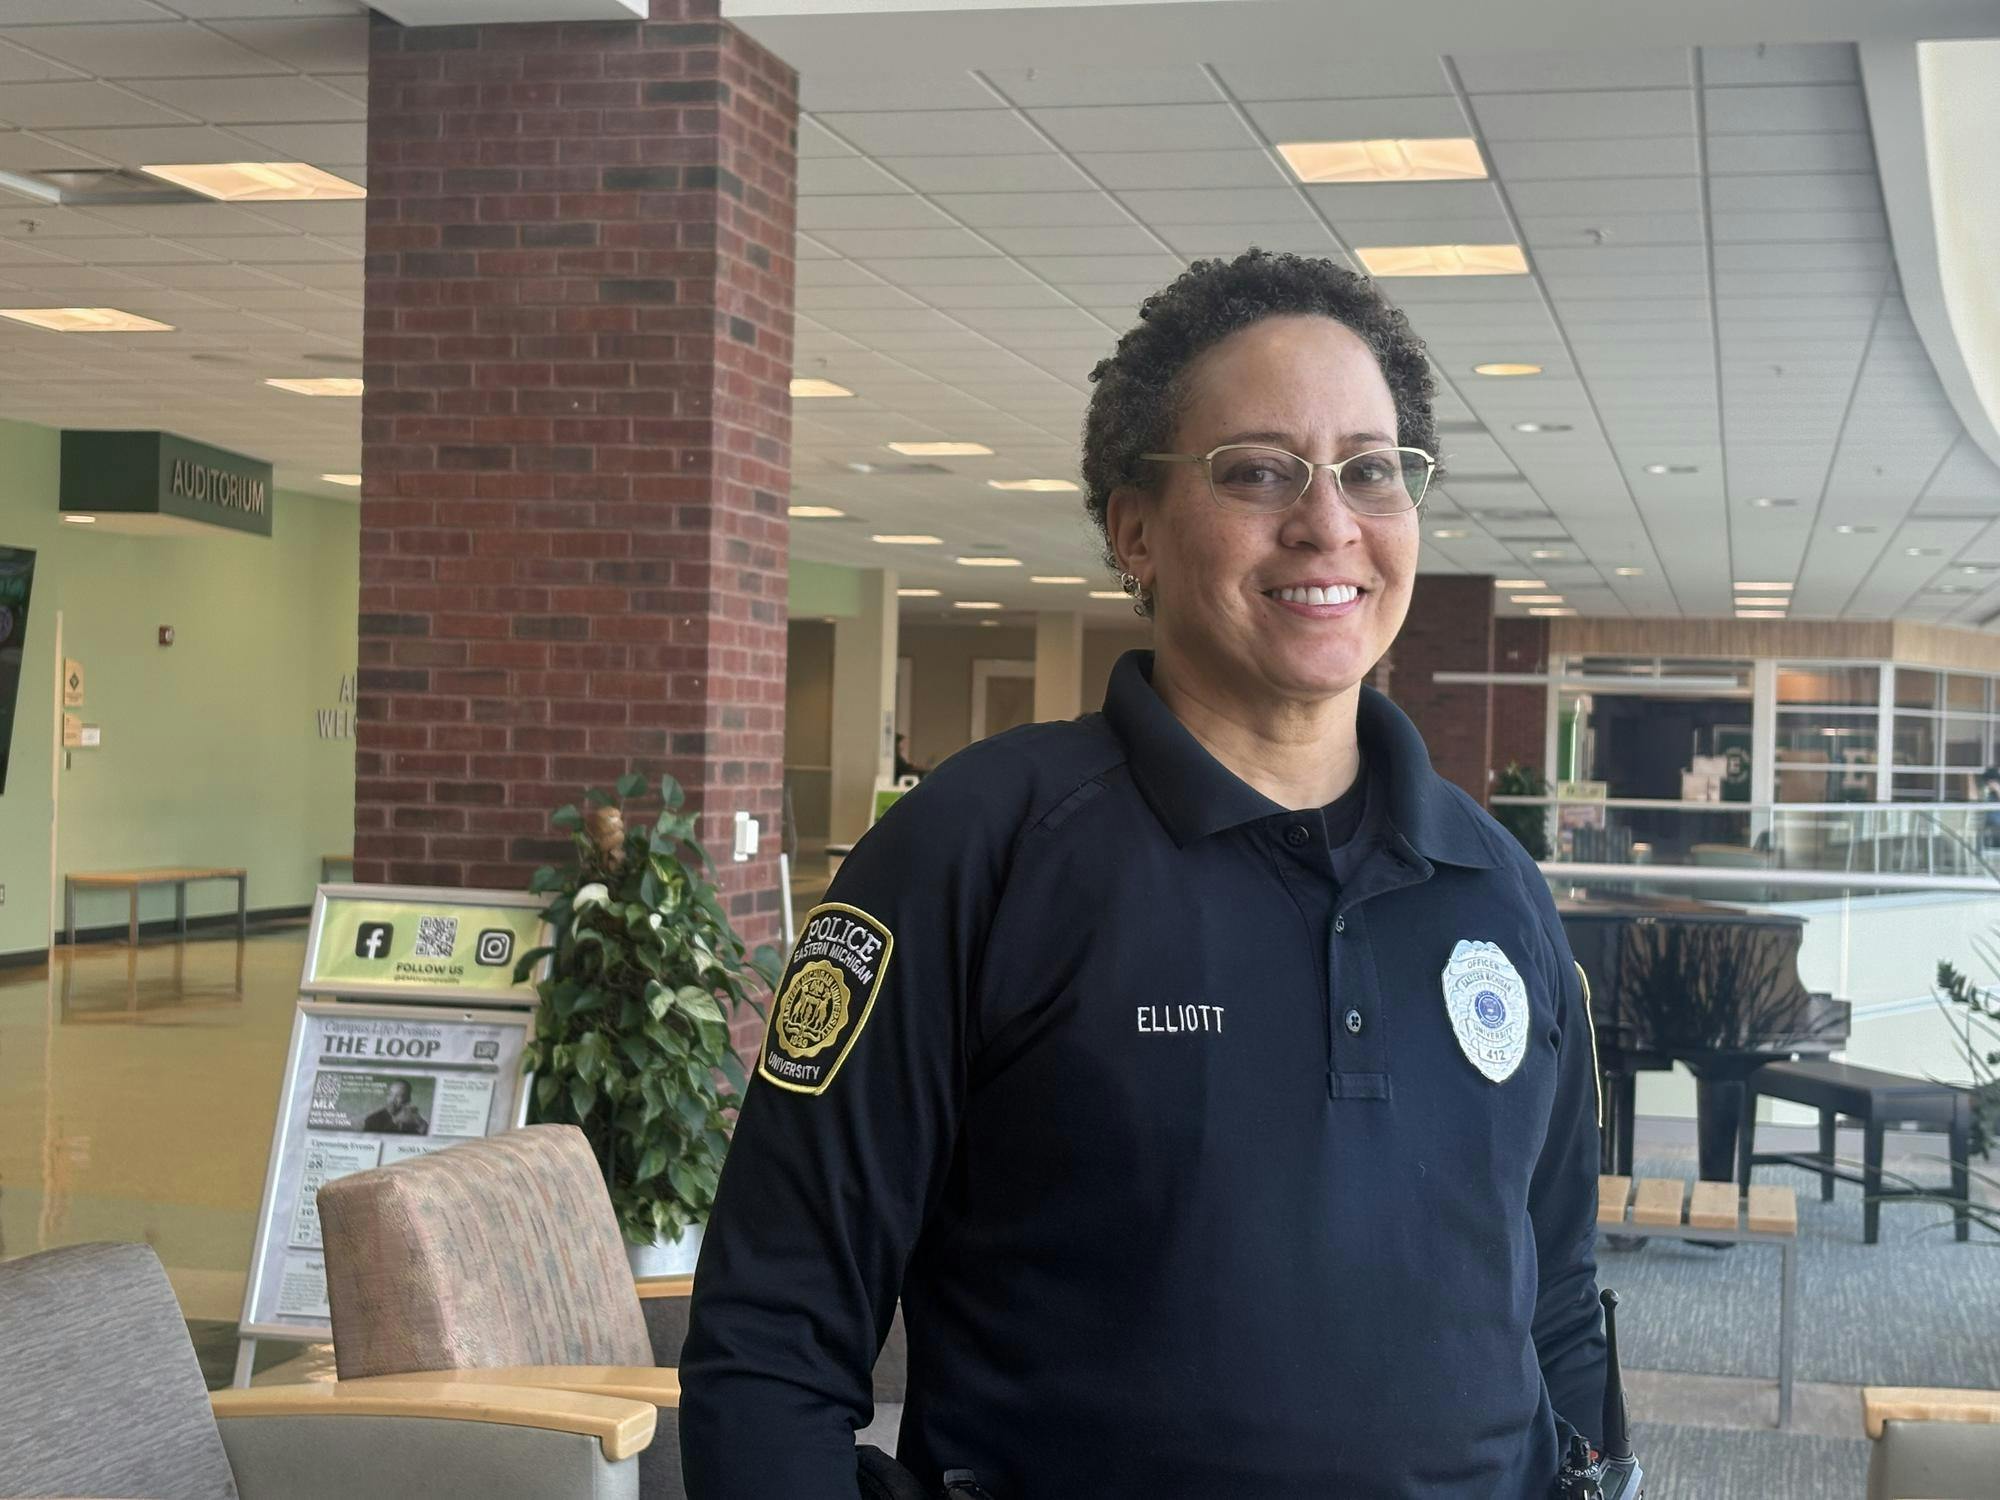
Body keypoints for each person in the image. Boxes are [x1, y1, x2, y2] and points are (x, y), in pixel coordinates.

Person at [681, 250, 1606, 1499]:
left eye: (1370, 469)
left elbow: (1553, 1297)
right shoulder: (977, 849)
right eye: (1257, 471)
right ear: (1133, 530)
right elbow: (771, 1335)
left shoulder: (1492, 885)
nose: (1327, 523)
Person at [361, 1079, 428, 1135]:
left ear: (408, 1099)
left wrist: (421, 1124)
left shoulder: (414, 1120)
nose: (392, 1099)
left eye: (399, 1096)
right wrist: (395, 1121)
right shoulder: (371, 1120)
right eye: (390, 1094)